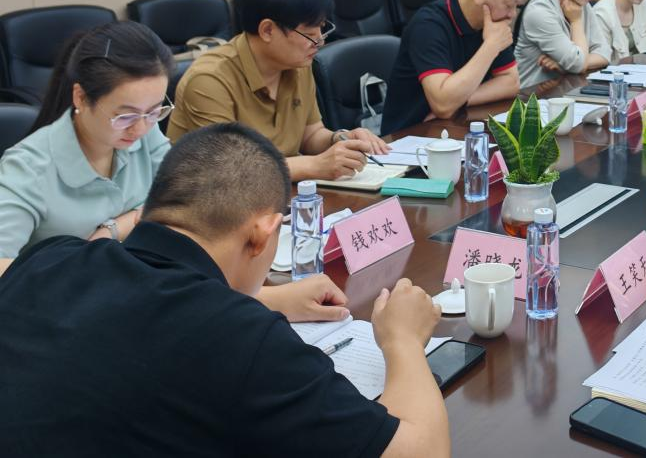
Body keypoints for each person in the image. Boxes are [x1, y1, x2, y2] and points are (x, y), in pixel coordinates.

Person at [0, 122, 448, 455]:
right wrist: (403, 341)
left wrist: (265, 297)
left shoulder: (50, 258)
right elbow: (421, 452)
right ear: (262, 234)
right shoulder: (241, 336)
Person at [168, 0, 388, 181]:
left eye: (322, 29)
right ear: (267, 30)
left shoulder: (299, 64)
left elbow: (310, 135)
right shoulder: (209, 79)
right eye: (309, 34)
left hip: (279, 191)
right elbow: (227, 170)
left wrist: (340, 139)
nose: (319, 42)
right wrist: (314, 165)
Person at [0, 21, 174, 267]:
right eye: (125, 116)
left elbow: (181, 200)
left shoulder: (145, 129)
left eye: (155, 111)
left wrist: (111, 231)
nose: (140, 128)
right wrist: (76, 266)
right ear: (81, 97)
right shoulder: (28, 168)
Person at [381, 0, 525, 136]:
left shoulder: (492, 22)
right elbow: (443, 104)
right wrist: (490, 46)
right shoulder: (428, 25)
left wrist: (462, 99)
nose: (512, 15)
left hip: (454, 127)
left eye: (517, 6)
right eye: (508, 5)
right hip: (409, 138)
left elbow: (511, 81)